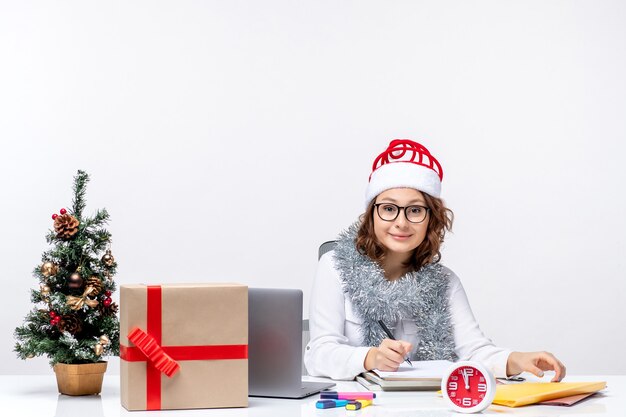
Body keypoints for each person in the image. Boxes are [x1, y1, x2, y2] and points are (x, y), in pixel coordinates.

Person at [304, 139, 566, 381]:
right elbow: (319, 354)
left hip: (426, 404)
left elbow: (473, 352)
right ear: (371, 215)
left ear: (432, 218)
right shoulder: (334, 266)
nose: (401, 222)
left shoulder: (445, 283)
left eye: (415, 210)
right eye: (388, 208)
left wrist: (517, 360)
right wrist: (370, 357)